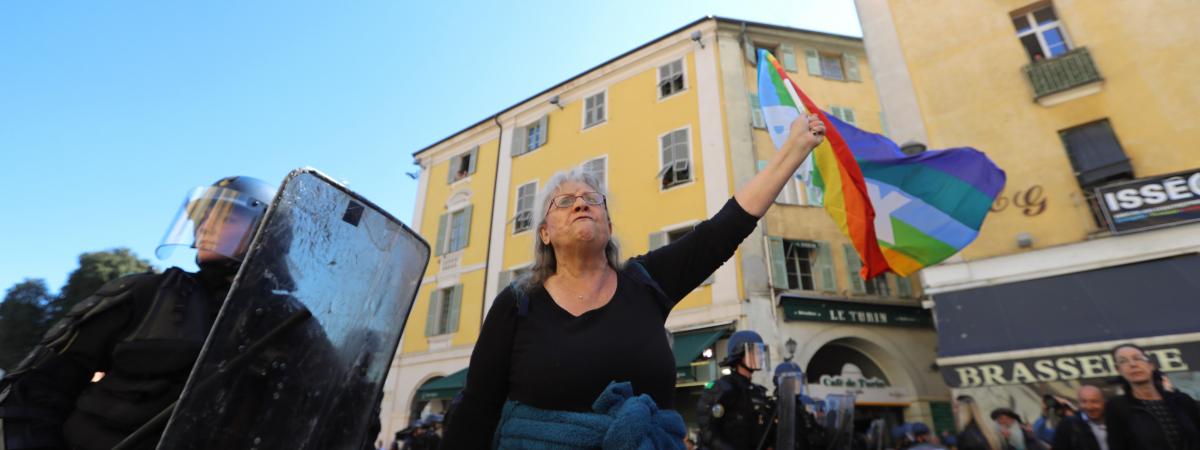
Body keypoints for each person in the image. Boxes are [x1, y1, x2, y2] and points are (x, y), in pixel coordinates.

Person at [439, 113, 826, 449]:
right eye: (564, 201)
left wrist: (794, 147)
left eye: (593, 199)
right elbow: (475, 411)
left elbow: (724, 229)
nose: (580, 203)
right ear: (544, 233)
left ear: (608, 225)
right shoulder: (516, 304)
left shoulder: (646, 282)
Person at [1106, 343, 1200, 450]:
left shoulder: (1181, 400)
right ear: (1118, 370)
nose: (1132, 364)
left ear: (1150, 365)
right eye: (1123, 361)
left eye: (1137, 358)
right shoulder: (1117, 407)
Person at [697, 330, 775, 449]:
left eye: (760, 352)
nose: (760, 356)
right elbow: (708, 431)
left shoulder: (758, 392)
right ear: (739, 354)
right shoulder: (722, 388)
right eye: (755, 352)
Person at [1052, 385, 1107, 450]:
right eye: (1084, 402)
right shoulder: (1068, 426)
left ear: (1103, 402)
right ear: (1079, 403)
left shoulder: (1115, 420)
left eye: (1094, 401)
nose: (1089, 407)